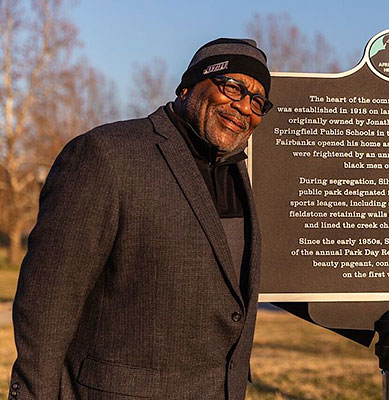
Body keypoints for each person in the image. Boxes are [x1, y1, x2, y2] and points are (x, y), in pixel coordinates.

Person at [9, 38, 271, 400]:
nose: (243, 106)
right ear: (187, 87)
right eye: (232, 86)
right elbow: (46, 305)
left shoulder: (239, 176)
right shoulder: (106, 155)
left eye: (257, 101)